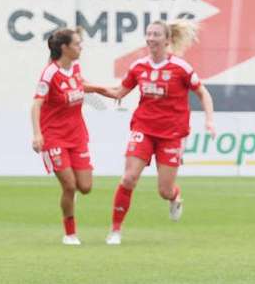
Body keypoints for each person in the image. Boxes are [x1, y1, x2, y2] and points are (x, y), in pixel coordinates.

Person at [103, 19, 215, 245]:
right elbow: (118, 93)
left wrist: (209, 120)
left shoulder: (180, 68)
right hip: (143, 128)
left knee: (164, 190)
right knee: (128, 177)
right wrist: (88, 88)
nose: (151, 38)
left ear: (167, 40)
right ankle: (115, 229)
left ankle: (174, 197)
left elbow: (203, 93)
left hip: (172, 133)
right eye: (149, 33)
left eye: (156, 34)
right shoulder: (138, 67)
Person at [30, 28, 114, 245]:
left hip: (77, 136)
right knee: (69, 185)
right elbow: (36, 104)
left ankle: (71, 197)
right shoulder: (50, 73)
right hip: (53, 137)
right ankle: (70, 233)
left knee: (85, 187)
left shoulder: (75, 68)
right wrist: (37, 135)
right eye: (77, 44)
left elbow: (81, 85)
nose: (81, 47)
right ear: (65, 48)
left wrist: (106, 90)